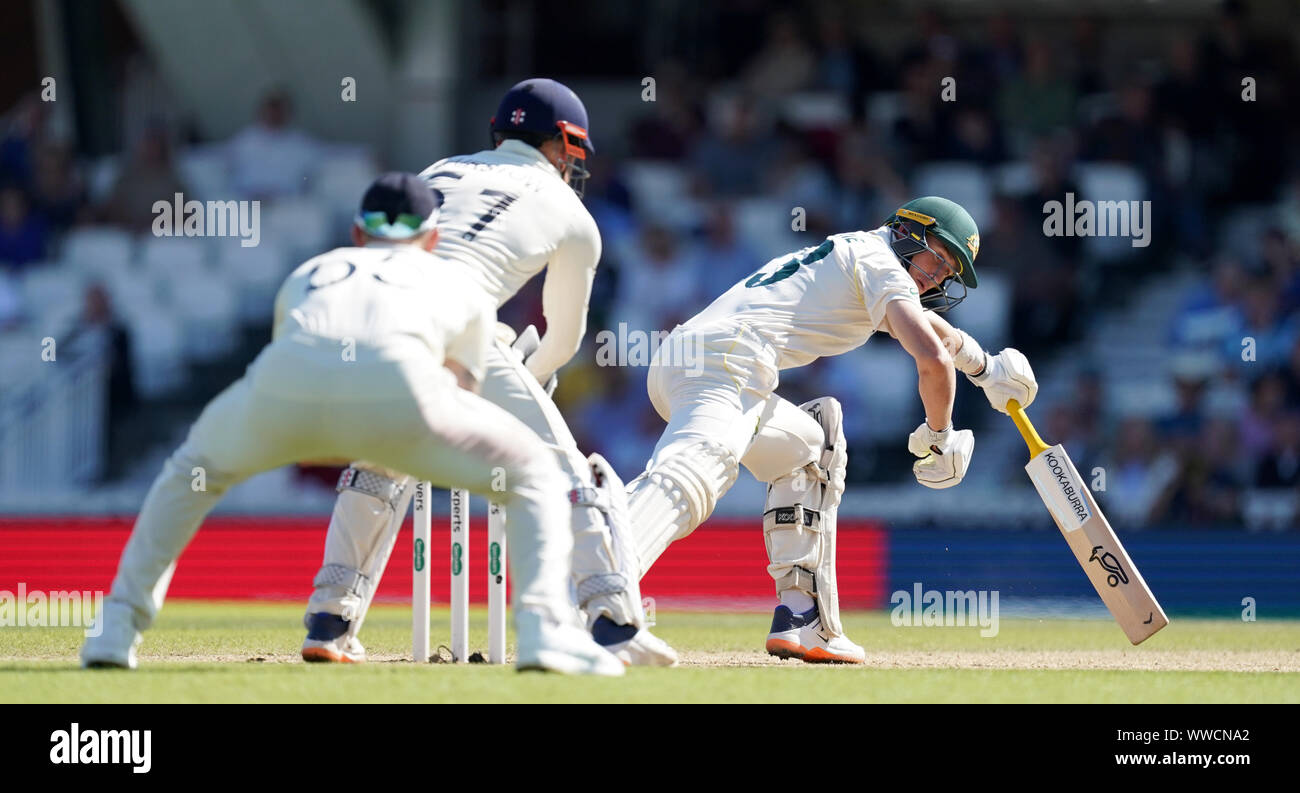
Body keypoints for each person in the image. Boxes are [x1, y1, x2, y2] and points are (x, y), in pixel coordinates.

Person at [81, 173, 623, 676]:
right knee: (535, 472)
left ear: (358, 234)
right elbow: (459, 398)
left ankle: (115, 629)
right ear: (433, 240)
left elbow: (295, 360)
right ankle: (542, 631)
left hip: (279, 393)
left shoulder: (311, 271)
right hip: (401, 399)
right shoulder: (458, 287)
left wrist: (318, 437)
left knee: (187, 473)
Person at [300, 79, 676, 666]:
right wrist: (531, 372)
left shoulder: (441, 168)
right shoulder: (571, 213)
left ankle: (329, 621)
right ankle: (612, 623)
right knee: (563, 471)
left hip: (374, 316)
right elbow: (566, 337)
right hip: (458, 324)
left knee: (379, 465)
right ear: (561, 144)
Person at [625, 196, 1039, 663]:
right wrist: (940, 436)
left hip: (695, 358)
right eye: (938, 258)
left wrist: (985, 367)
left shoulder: (868, 260)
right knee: (698, 471)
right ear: (907, 232)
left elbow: (933, 332)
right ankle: (600, 594)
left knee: (809, 446)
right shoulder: (879, 262)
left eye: (949, 272)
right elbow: (932, 358)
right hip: (727, 359)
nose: (939, 275)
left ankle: (802, 617)